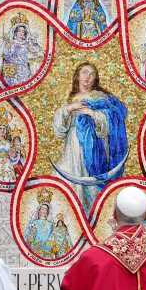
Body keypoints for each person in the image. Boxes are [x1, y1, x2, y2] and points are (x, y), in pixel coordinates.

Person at [51, 62, 128, 213]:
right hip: (72, 147)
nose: (87, 77)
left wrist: (92, 113)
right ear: (77, 76)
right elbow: (59, 131)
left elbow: (113, 119)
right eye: (84, 73)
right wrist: (68, 109)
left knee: (91, 189)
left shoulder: (102, 98)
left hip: (93, 147)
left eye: (92, 74)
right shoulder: (70, 99)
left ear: (95, 79)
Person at [0, 19, 43, 86]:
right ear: (15, 32)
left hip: (25, 70)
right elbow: (6, 55)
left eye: (23, 31)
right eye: (19, 31)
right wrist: (7, 48)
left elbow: (35, 52)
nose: (21, 33)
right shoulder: (11, 43)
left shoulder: (27, 44)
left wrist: (35, 45)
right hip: (12, 70)